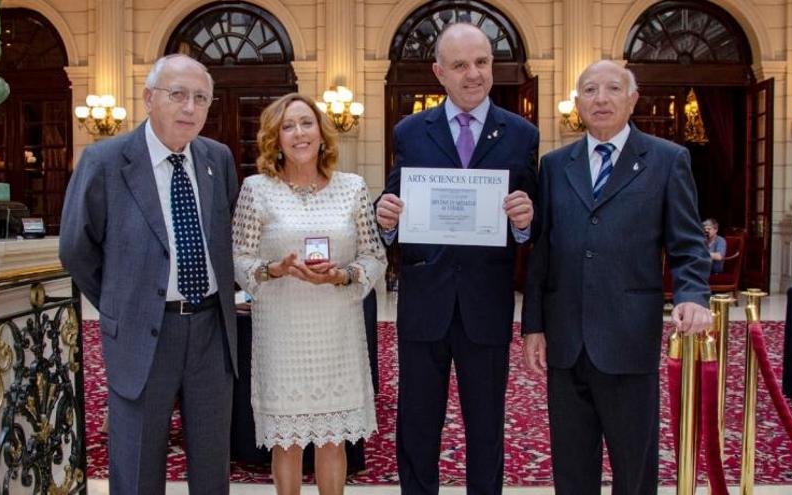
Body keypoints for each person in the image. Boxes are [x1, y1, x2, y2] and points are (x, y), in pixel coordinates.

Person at [521, 60, 713, 494]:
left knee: (634, 466)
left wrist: (693, 295)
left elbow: (686, 243)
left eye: (611, 89)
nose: (600, 99)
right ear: (577, 102)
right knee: (571, 468)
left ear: (633, 99)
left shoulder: (667, 160)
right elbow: (543, 251)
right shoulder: (554, 165)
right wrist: (533, 325)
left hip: (629, 338)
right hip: (566, 341)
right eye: (589, 90)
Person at [59, 54, 238, 494]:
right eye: (177, 95)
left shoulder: (218, 158)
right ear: (148, 99)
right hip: (142, 334)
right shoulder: (104, 161)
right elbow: (75, 248)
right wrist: (124, 303)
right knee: (136, 462)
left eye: (201, 98)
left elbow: (227, 235)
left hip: (212, 329)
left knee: (213, 460)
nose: (190, 108)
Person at [374, 22, 538, 494]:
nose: (474, 75)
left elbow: (534, 220)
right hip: (426, 302)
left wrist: (525, 220)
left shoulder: (520, 134)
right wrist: (385, 218)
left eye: (482, 62)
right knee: (418, 425)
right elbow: (393, 203)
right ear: (439, 72)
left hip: (485, 304)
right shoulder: (411, 131)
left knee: (486, 427)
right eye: (461, 65)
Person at [232, 93, 387, 495]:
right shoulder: (256, 189)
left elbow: (374, 256)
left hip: (336, 327)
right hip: (282, 328)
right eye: (287, 126)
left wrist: (341, 276)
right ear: (274, 138)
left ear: (322, 132)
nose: (298, 133)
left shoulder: (351, 187)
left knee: (333, 438)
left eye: (306, 123)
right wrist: (274, 270)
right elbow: (239, 258)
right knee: (287, 440)